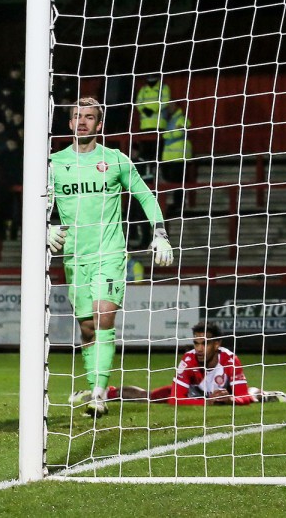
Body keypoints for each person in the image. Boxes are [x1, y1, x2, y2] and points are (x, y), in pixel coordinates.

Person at [48, 97, 174, 418]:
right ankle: (95, 388)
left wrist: (160, 232)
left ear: (99, 124)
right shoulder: (54, 163)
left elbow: (145, 195)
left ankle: (98, 394)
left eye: (89, 117)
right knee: (88, 329)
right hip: (75, 258)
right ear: (69, 123)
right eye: (77, 116)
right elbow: (39, 204)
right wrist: (46, 228)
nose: (82, 122)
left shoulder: (115, 160)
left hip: (110, 253)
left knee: (103, 317)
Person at [83, 321, 283, 406]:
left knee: (249, 394)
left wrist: (230, 399)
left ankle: (265, 394)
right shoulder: (188, 361)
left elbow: (241, 396)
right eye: (196, 343)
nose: (199, 349)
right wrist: (208, 402)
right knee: (151, 397)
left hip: (222, 391)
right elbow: (174, 399)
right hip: (195, 393)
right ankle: (106, 393)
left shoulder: (230, 360)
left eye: (205, 343)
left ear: (217, 344)